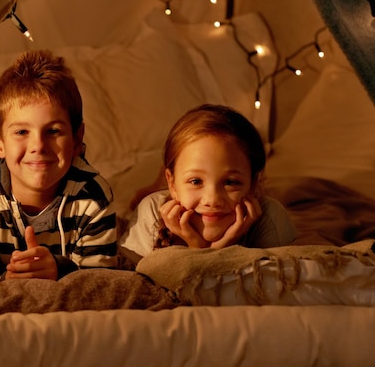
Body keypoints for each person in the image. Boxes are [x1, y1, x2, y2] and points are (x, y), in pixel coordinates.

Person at [0, 50, 117, 280]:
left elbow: (102, 286)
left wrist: (58, 271)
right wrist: (10, 282)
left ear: (77, 139)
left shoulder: (93, 197)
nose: (38, 146)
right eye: (21, 132)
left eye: (53, 131)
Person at [119, 104, 296, 266]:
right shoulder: (152, 213)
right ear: (172, 183)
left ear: (252, 184)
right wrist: (202, 250)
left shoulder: (270, 218)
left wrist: (211, 252)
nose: (212, 200)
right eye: (196, 181)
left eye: (230, 182)